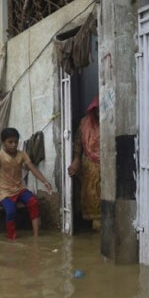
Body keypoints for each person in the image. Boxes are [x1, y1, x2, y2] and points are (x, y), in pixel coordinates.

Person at [0, 127, 54, 240]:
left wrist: (45, 181)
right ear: (3, 142)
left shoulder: (22, 154)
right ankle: (12, 238)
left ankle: (36, 236)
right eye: (10, 142)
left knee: (34, 202)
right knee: (10, 212)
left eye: (16, 141)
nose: (14, 145)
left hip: (19, 189)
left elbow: (33, 168)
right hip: (5, 192)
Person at [67, 96, 101, 231]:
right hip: (90, 164)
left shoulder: (111, 121)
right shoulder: (85, 123)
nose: (99, 113)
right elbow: (78, 144)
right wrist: (76, 160)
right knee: (91, 193)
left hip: (108, 162)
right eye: (97, 110)